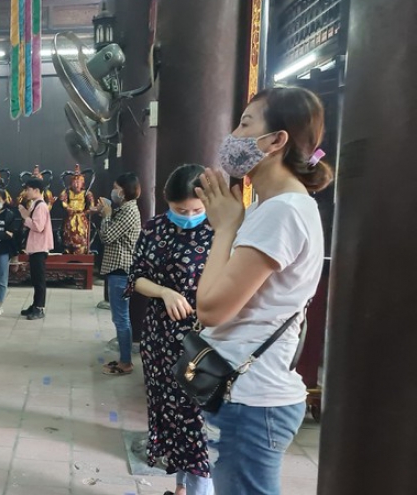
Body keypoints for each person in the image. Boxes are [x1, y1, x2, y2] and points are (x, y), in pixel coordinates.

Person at [194, 87, 332, 495]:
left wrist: (224, 230)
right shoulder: (268, 206)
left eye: (246, 123)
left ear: (276, 141)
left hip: (255, 400)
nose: (233, 134)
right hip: (247, 391)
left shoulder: (283, 211)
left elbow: (212, 308)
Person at [128, 164, 215, 495]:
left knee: (196, 420)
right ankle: (181, 487)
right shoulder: (154, 229)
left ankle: (199, 491)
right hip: (160, 339)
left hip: (203, 341)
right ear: (167, 201)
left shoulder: (219, 232)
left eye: (196, 210)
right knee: (169, 413)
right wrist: (164, 292)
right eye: (181, 210)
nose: (190, 216)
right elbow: (137, 276)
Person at [98, 173, 142, 375]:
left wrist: (107, 214)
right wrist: (106, 214)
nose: (113, 191)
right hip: (117, 269)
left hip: (121, 270)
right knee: (120, 317)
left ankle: (126, 362)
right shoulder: (124, 209)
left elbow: (107, 236)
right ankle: (124, 359)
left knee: (121, 318)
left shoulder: (129, 211)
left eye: (116, 187)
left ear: (123, 191)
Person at [18, 177, 53, 320]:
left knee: (39, 280)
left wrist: (24, 216)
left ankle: (40, 308)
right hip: (35, 247)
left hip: (39, 248)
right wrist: (26, 214)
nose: (26, 192)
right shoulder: (35, 204)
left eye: (28, 189)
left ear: (36, 190)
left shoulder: (41, 206)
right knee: (35, 279)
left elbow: (38, 226)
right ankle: (35, 305)